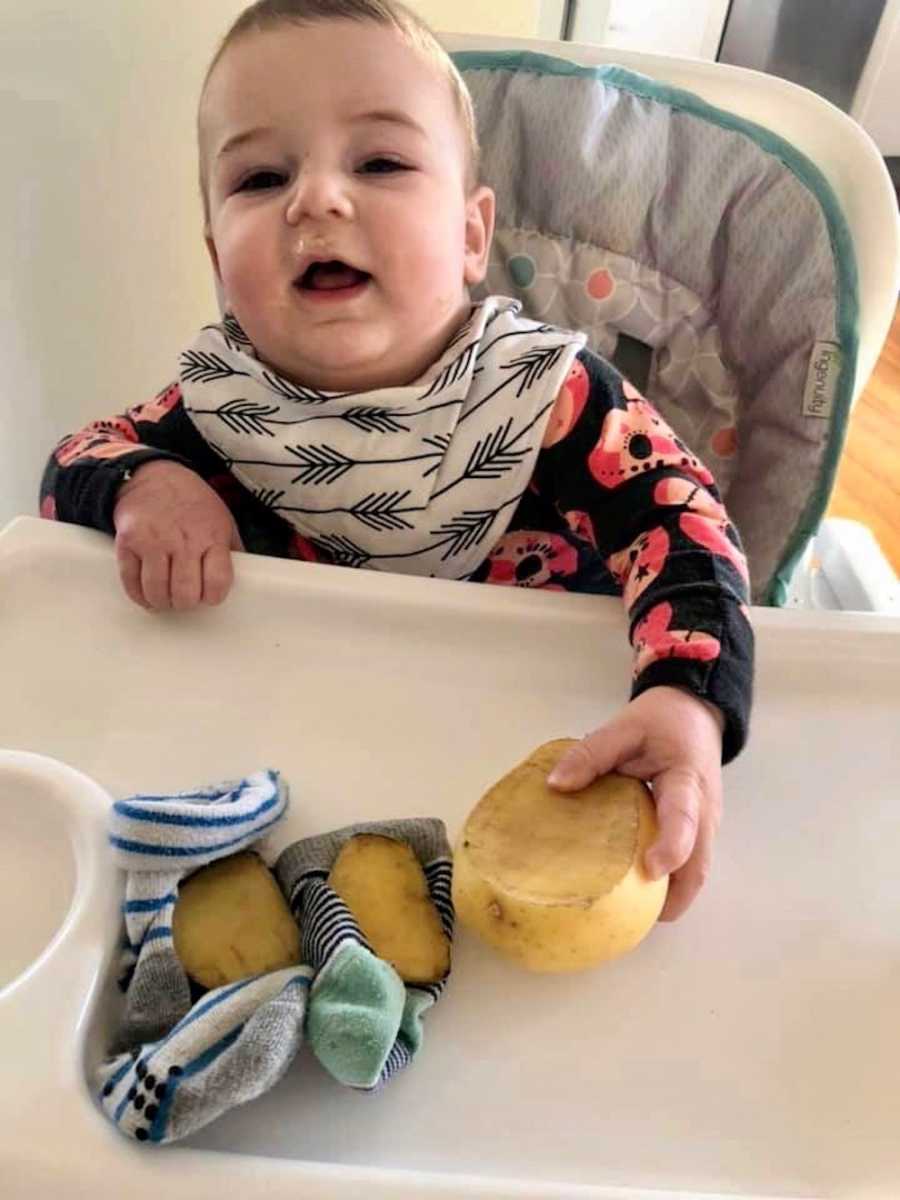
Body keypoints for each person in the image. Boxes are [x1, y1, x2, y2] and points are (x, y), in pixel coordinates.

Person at [39, 0, 753, 924]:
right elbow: (74, 464)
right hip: (298, 770)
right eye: (261, 177)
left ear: (469, 235)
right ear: (219, 258)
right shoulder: (218, 410)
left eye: (378, 162)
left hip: (540, 759)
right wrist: (145, 482)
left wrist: (685, 700)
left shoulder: (550, 398)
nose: (317, 200)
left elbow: (685, 526)